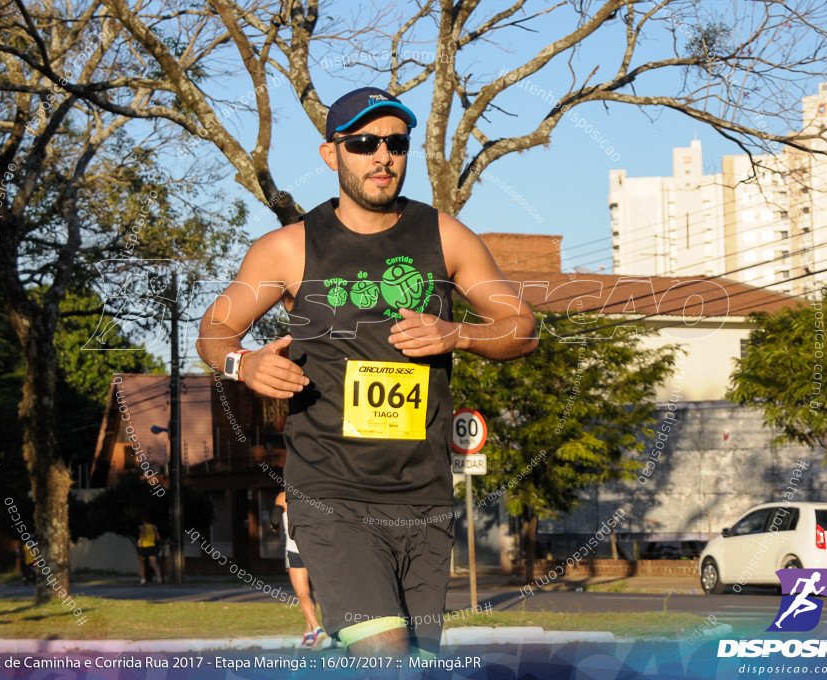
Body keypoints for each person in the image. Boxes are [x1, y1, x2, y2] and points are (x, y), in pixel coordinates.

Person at [196, 86, 537, 657]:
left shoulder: (444, 237)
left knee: (416, 662)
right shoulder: (288, 249)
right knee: (387, 652)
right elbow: (214, 333)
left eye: (396, 143)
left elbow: (521, 327)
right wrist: (243, 363)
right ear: (332, 154)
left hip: (423, 495)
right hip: (331, 493)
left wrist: (460, 334)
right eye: (363, 142)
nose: (382, 155)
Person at [271, 491, 329, 649]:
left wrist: (274, 527)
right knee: (311, 592)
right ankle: (309, 632)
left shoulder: (282, 496)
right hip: (316, 549)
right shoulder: (314, 493)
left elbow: (274, 520)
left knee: (302, 593)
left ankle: (317, 629)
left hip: (295, 549)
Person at [137, 520, 162, 584]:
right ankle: (158, 575)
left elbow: (142, 532)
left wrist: (139, 541)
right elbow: (158, 537)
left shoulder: (142, 527)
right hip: (152, 546)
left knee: (142, 562)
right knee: (153, 563)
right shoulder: (154, 527)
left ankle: (143, 579)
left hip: (144, 546)